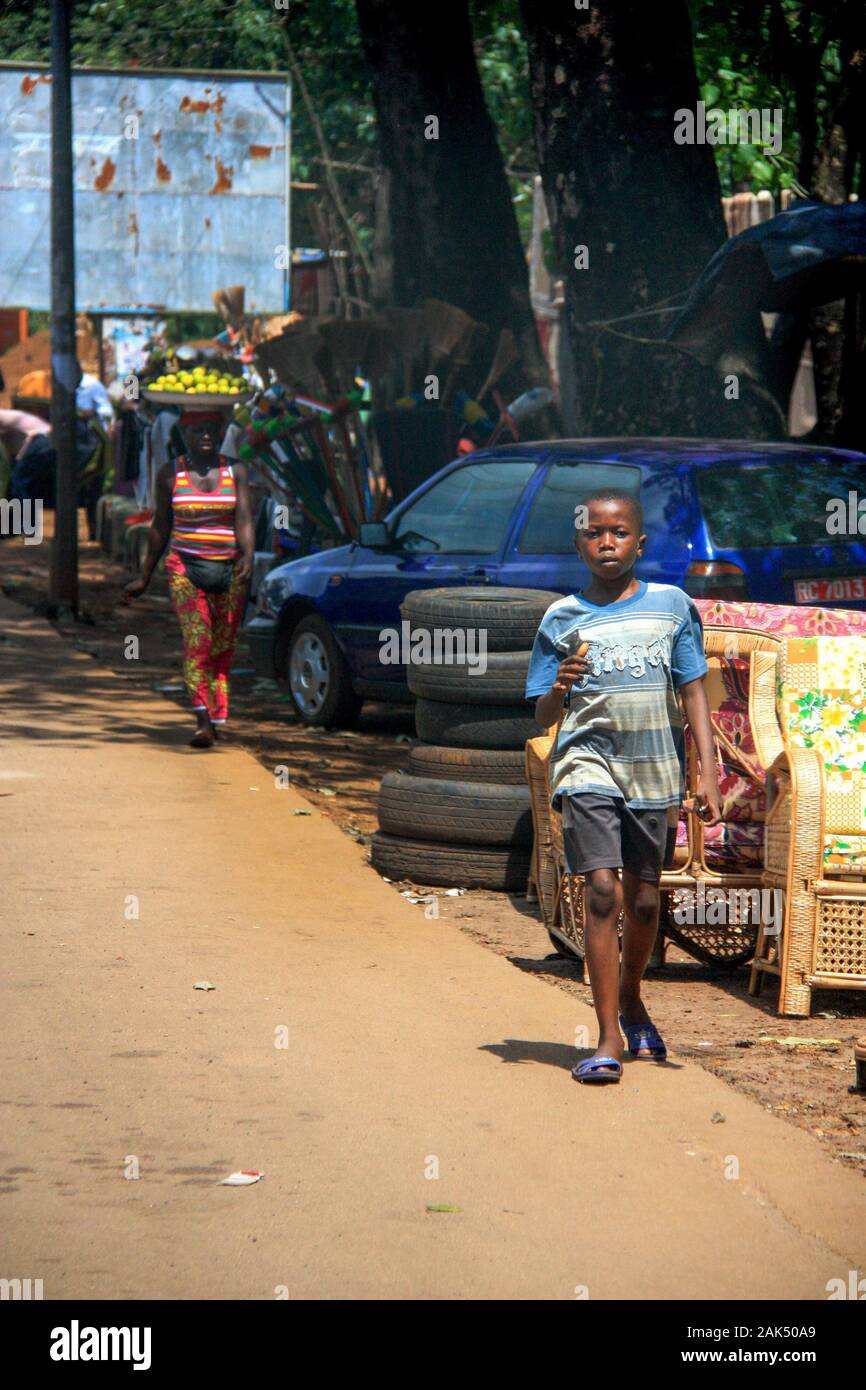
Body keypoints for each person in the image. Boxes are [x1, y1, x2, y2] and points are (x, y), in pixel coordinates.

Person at [525, 487, 721, 1085]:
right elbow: (541, 713)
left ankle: (633, 998)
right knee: (603, 892)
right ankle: (608, 1033)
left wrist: (707, 772)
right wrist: (559, 684)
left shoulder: (671, 605)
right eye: (593, 533)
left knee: (641, 898)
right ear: (578, 544)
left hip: (655, 771)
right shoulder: (562, 617)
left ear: (639, 542)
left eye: (618, 533)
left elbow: (693, 692)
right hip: (588, 764)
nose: (606, 542)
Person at [123, 405, 254, 748]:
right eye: (198, 431)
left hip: (229, 567)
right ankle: (203, 722)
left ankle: (217, 715)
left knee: (223, 648)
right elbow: (161, 525)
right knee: (199, 643)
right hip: (185, 567)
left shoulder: (236, 470)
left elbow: (243, 518)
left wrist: (249, 556)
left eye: (212, 429)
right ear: (184, 435)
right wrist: (144, 576)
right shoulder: (170, 473)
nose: (206, 436)